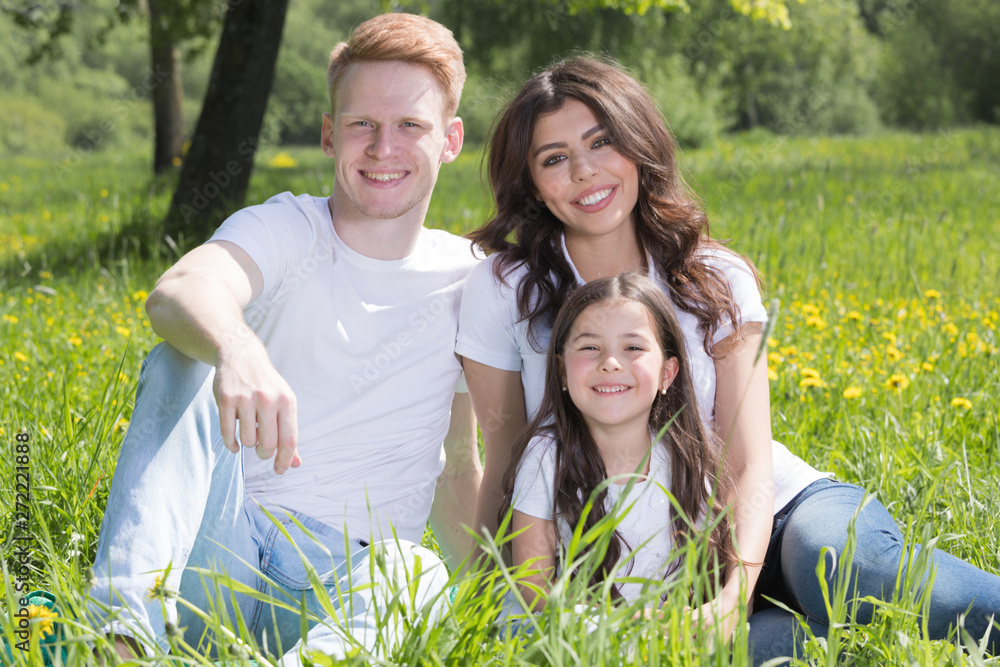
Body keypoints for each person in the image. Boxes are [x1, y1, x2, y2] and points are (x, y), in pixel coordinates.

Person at [456, 56, 1000, 663]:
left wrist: (730, 599)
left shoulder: (711, 275)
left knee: (846, 567)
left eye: (602, 142)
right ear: (531, 183)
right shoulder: (507, 288)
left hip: (774, 512)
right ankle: (813, 631)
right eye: (554, 158)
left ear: (639, 145)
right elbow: (506, 450)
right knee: (678, 653)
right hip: (636, 567)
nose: (584, 172)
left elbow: (748, 458)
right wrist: (475, 610)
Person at [87, 13, 482, 666]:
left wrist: (515, 605)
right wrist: (237, 349)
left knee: (421, 572)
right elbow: (180, 290)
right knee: (181, 361)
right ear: (330, 134)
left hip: (351, 581)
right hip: (225, 554)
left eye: (410, 125)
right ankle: (122, 639)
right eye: (363, 125)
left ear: (450, 140)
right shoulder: (288, 227)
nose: (384, 148)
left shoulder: (471, 280)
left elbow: (460, 466)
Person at [502, 273, 736, 613]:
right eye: (590, 348)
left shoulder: (684, 456)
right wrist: (620, 625)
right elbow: (531, 586)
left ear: (667, 374)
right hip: (571, 628)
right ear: (563, 371)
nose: (610, 363)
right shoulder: (546, 456)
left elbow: (698, 578)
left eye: (633, 348)